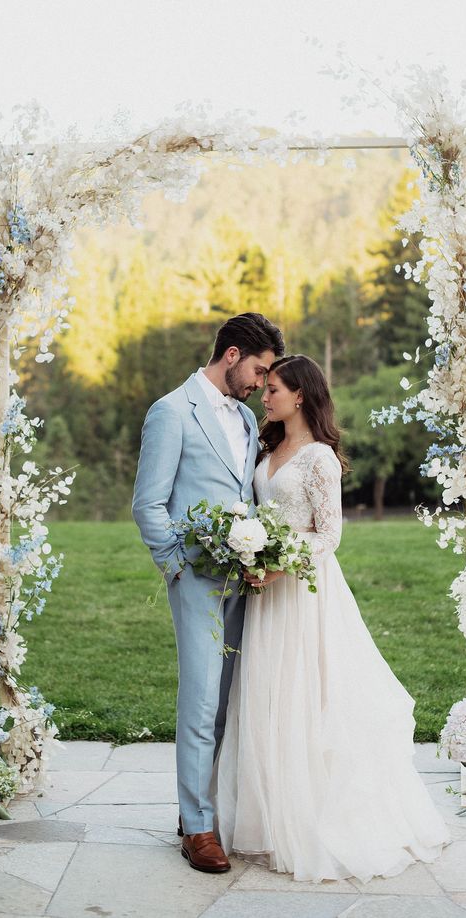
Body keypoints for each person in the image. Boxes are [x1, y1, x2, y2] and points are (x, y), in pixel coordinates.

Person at [214, 354, 450, 883]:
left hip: (301, 592)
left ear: (300, 396)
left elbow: (329, 535)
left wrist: (278, 566)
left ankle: (314, 815)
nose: (265, 396)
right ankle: (266, 814)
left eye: (273, 389)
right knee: (264, 694)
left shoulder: (318, 459)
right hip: (264, 591)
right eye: (265, 387)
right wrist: (251, 554)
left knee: (305, 695)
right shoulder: (268, 447)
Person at [132, 312, 285, 873]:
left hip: (243, 580)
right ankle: (197, 828)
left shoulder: (246, 419)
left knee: (225, 701)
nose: (261, 382)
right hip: (195, 578)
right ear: (231, 355)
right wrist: (176, 568)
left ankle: (200, 807)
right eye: (259, 369)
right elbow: (148, 503)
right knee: (199, 699)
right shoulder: (171, 411)